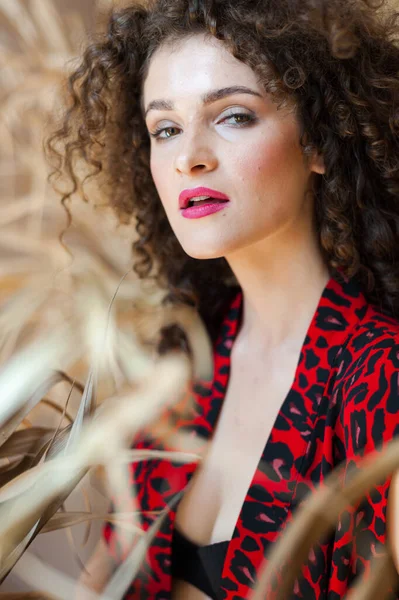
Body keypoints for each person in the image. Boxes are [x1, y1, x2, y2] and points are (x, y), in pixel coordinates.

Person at [46, 0, 399, 598]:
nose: (189, 158)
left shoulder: (381, 379)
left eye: (233, 116)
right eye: (166, 129)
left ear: (319, 139)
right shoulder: (183, 367)